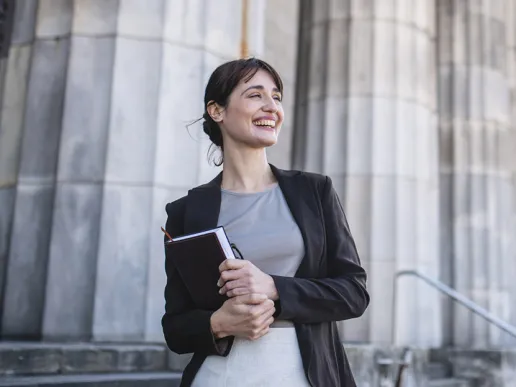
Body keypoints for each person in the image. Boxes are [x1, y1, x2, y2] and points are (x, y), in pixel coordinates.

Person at [161, 58, 369, 387]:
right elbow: (175, 327)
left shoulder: (313, 192)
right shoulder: (186, 212)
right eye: (256, 95)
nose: (271, 106)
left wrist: (273, 287)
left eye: (276, 97)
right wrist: (218, 323)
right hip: (219, 376)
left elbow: (354, 293)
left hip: (305, 374)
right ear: (217, 111)